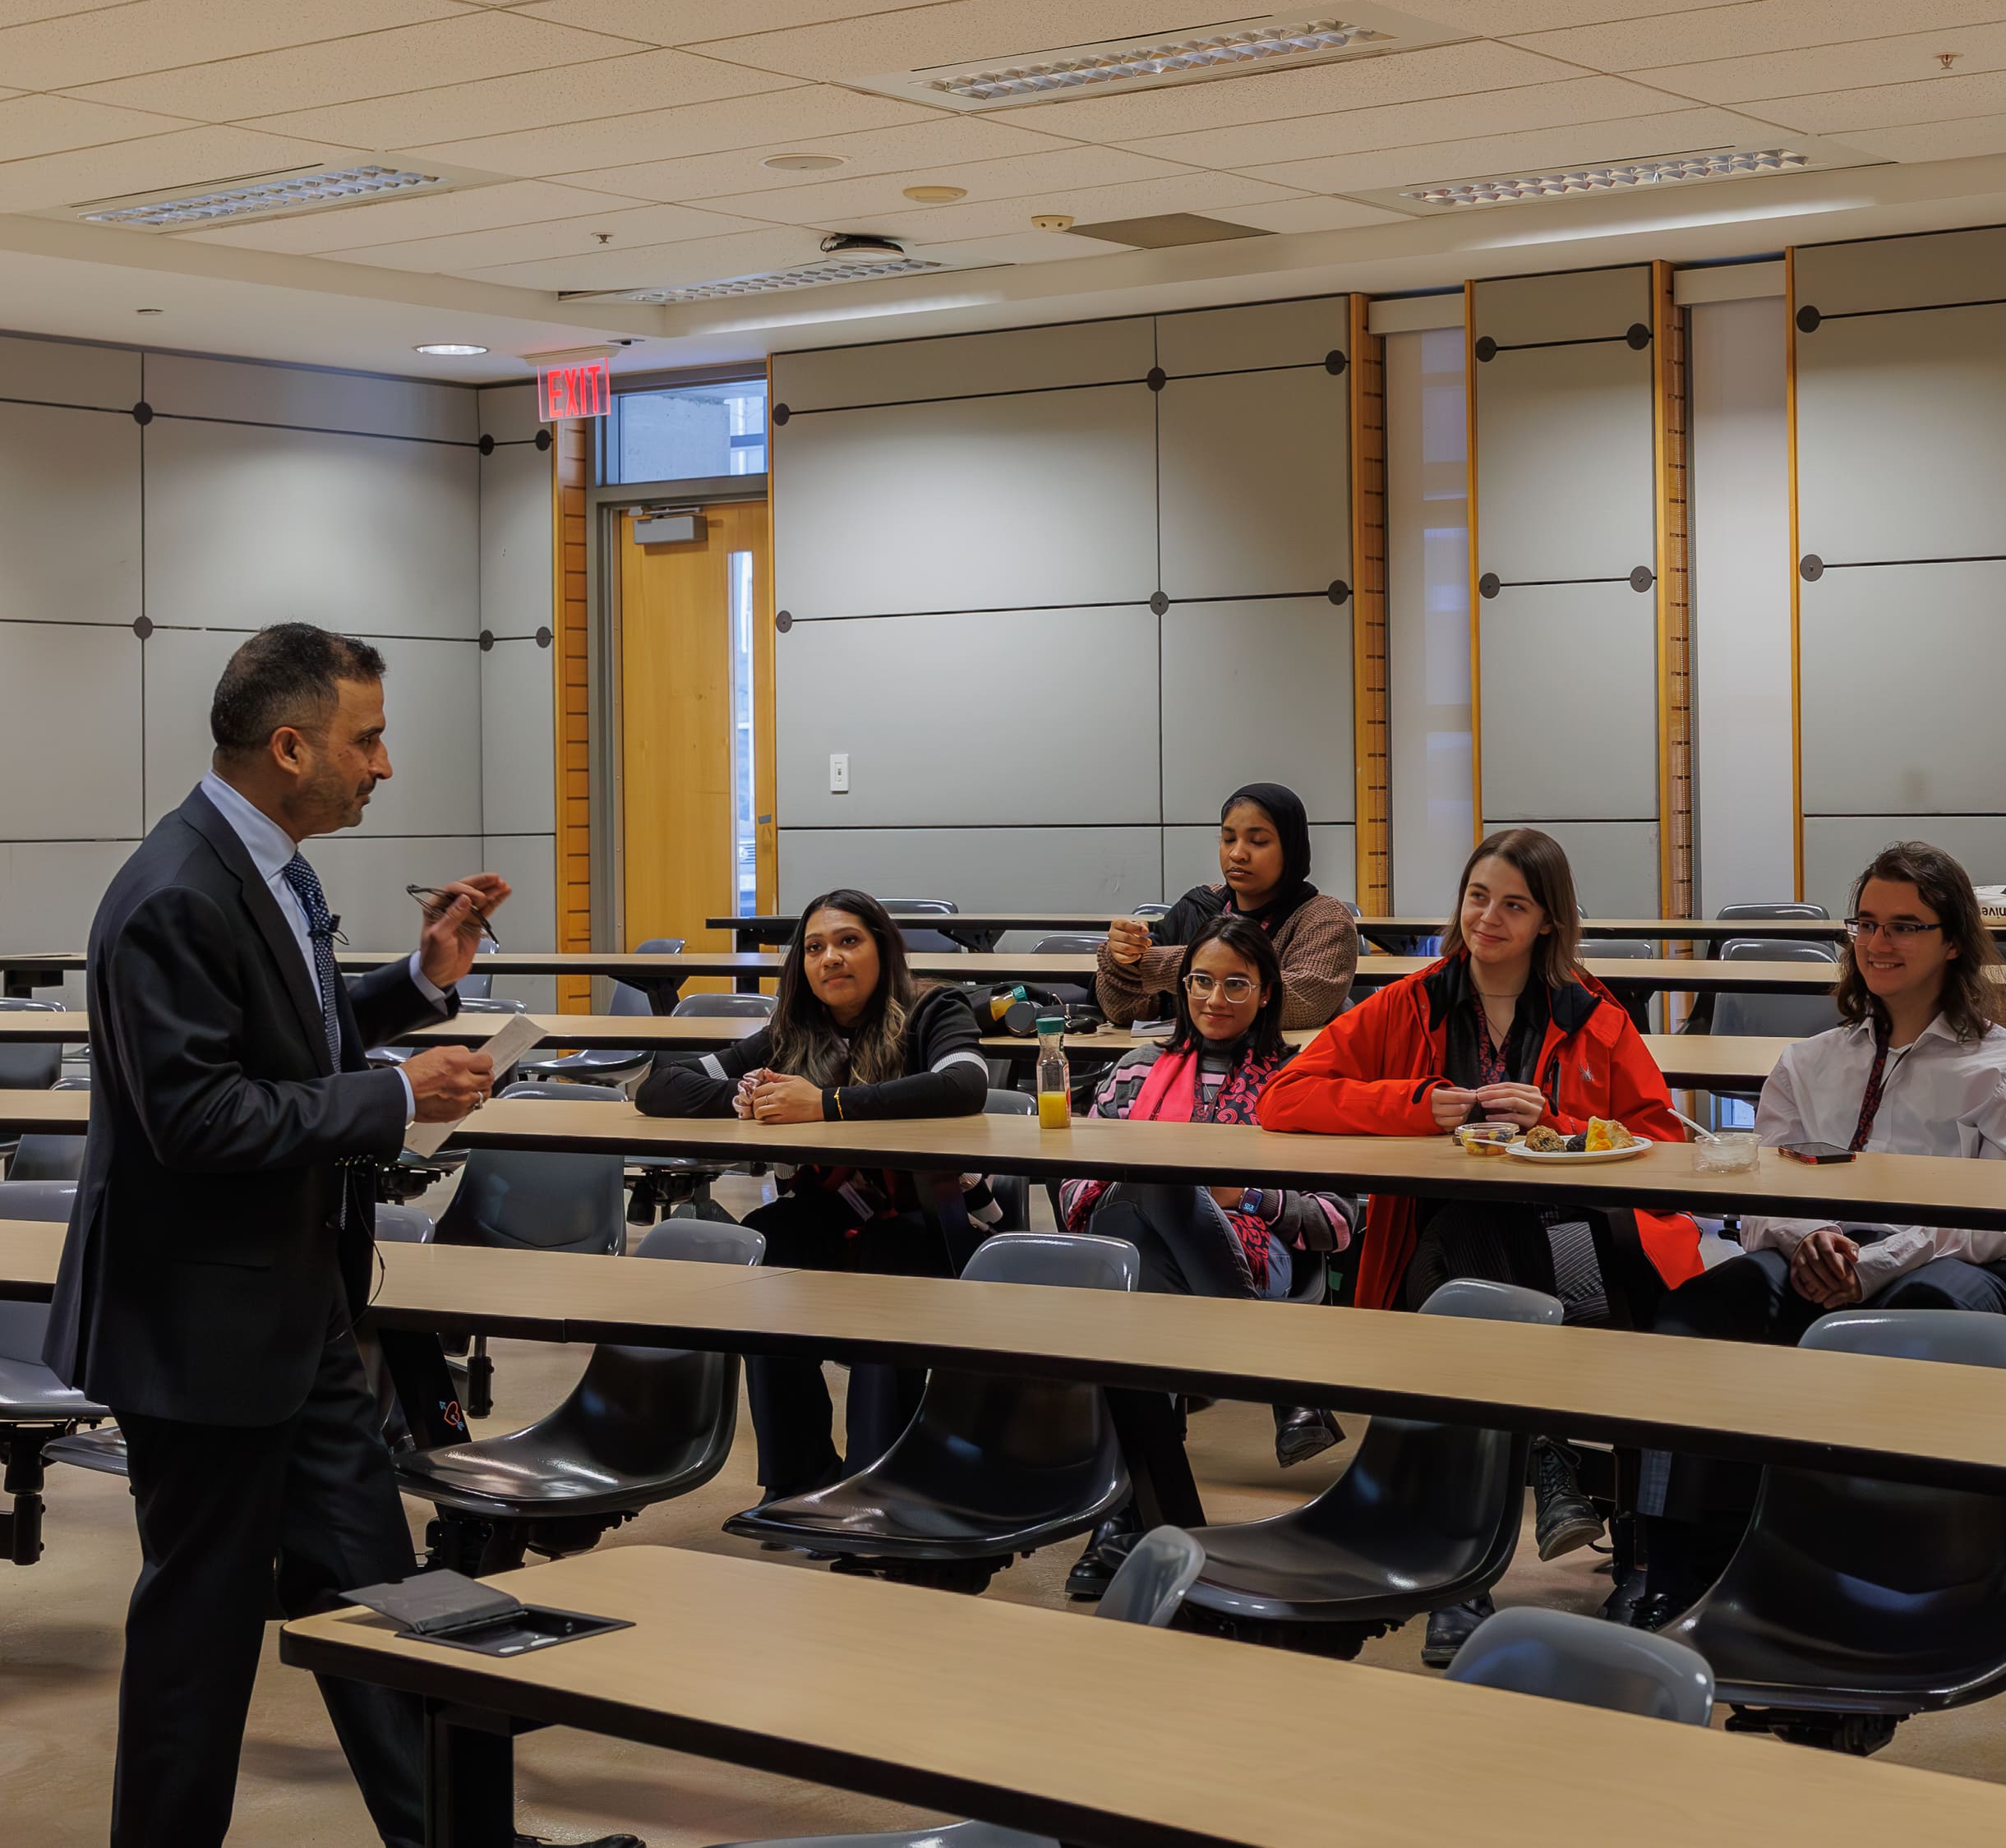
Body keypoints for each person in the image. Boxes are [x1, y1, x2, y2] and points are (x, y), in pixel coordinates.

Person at [39, 625, 599, 1848]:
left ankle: (457, 1834)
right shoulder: (173, 890)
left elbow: (293, 1022)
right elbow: (198, 1114)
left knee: (388, 1597)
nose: (384, 765)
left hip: (293, 1317)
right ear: (290, 746)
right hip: (201, 1330)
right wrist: (399, 1095)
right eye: (368, 738)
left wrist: (416, 978)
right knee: (199, 1634)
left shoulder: (263, 865)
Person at [1259, 826, 1696, 1661]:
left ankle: (1467, 1578)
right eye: (1476, 897)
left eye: (1513, 905)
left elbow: (1660, 1143)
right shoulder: (1410, 1002)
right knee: (1469, 1231)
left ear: (1547, 921)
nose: (1487, 918)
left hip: (1574, 1248)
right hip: (1444, 1254)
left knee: (1482, 1270)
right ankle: (1547, 1459)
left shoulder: (1595, 1019)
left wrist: (1559, 1127)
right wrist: (1416, 1104)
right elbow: (1286, 1096)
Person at [1626, 841, 2006, 1626]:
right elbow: (1762, 1192)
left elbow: (2000, 1224)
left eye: (1904, 925)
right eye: (1865, 923)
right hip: (1818, 1250)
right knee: (1694, 1317)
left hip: (1948, 1260)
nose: (1877, 943)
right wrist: (1813, 1240)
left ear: (1954, 940)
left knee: (1922, 1319)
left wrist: (1875, 1261)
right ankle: (1674, 1571)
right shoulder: (1808, 1060)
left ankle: (1883, 1574)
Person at [635, 890, 994, 1500]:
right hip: (837, 1212)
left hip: (933, 1218)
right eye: (815, 947)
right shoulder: (794, 1029)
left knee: (889, 1260)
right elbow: (661, 1086)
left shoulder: (934, 1004)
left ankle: (876, 1487)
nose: (831, 957)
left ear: (883, 947)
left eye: (849, 941)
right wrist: (754, 1100)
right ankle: (798, 1479)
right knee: (769, 1246)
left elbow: (964, 1085)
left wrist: (823, 1105)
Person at [1057, 915, 1357, 1468]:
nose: (1215, 998)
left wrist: (1244, 1196)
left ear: (1268, 993)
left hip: (1253, 1254)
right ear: (1183, 986)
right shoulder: (1135, 1070)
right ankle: (1276, 1371)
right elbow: (1073, 1187)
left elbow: (1338, 1222)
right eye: (1200, 980)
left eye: (1236, 983)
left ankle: (1129, 1508)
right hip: (1132, 1245)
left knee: (1152, 1193)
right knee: (1149, 1187)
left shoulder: (1298, 1082)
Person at [1098, 782, 1359, 1029]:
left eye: (1258, 842)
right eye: (1228, 839)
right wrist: (1124, 958)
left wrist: (1154, 965)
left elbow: (1301, 1003)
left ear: (1291, 849)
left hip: (1281, 1070)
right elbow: (1124, 1012)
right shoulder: (1198, 906)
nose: (1237, 854)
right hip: (1186, 1067)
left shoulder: (1324, 919)